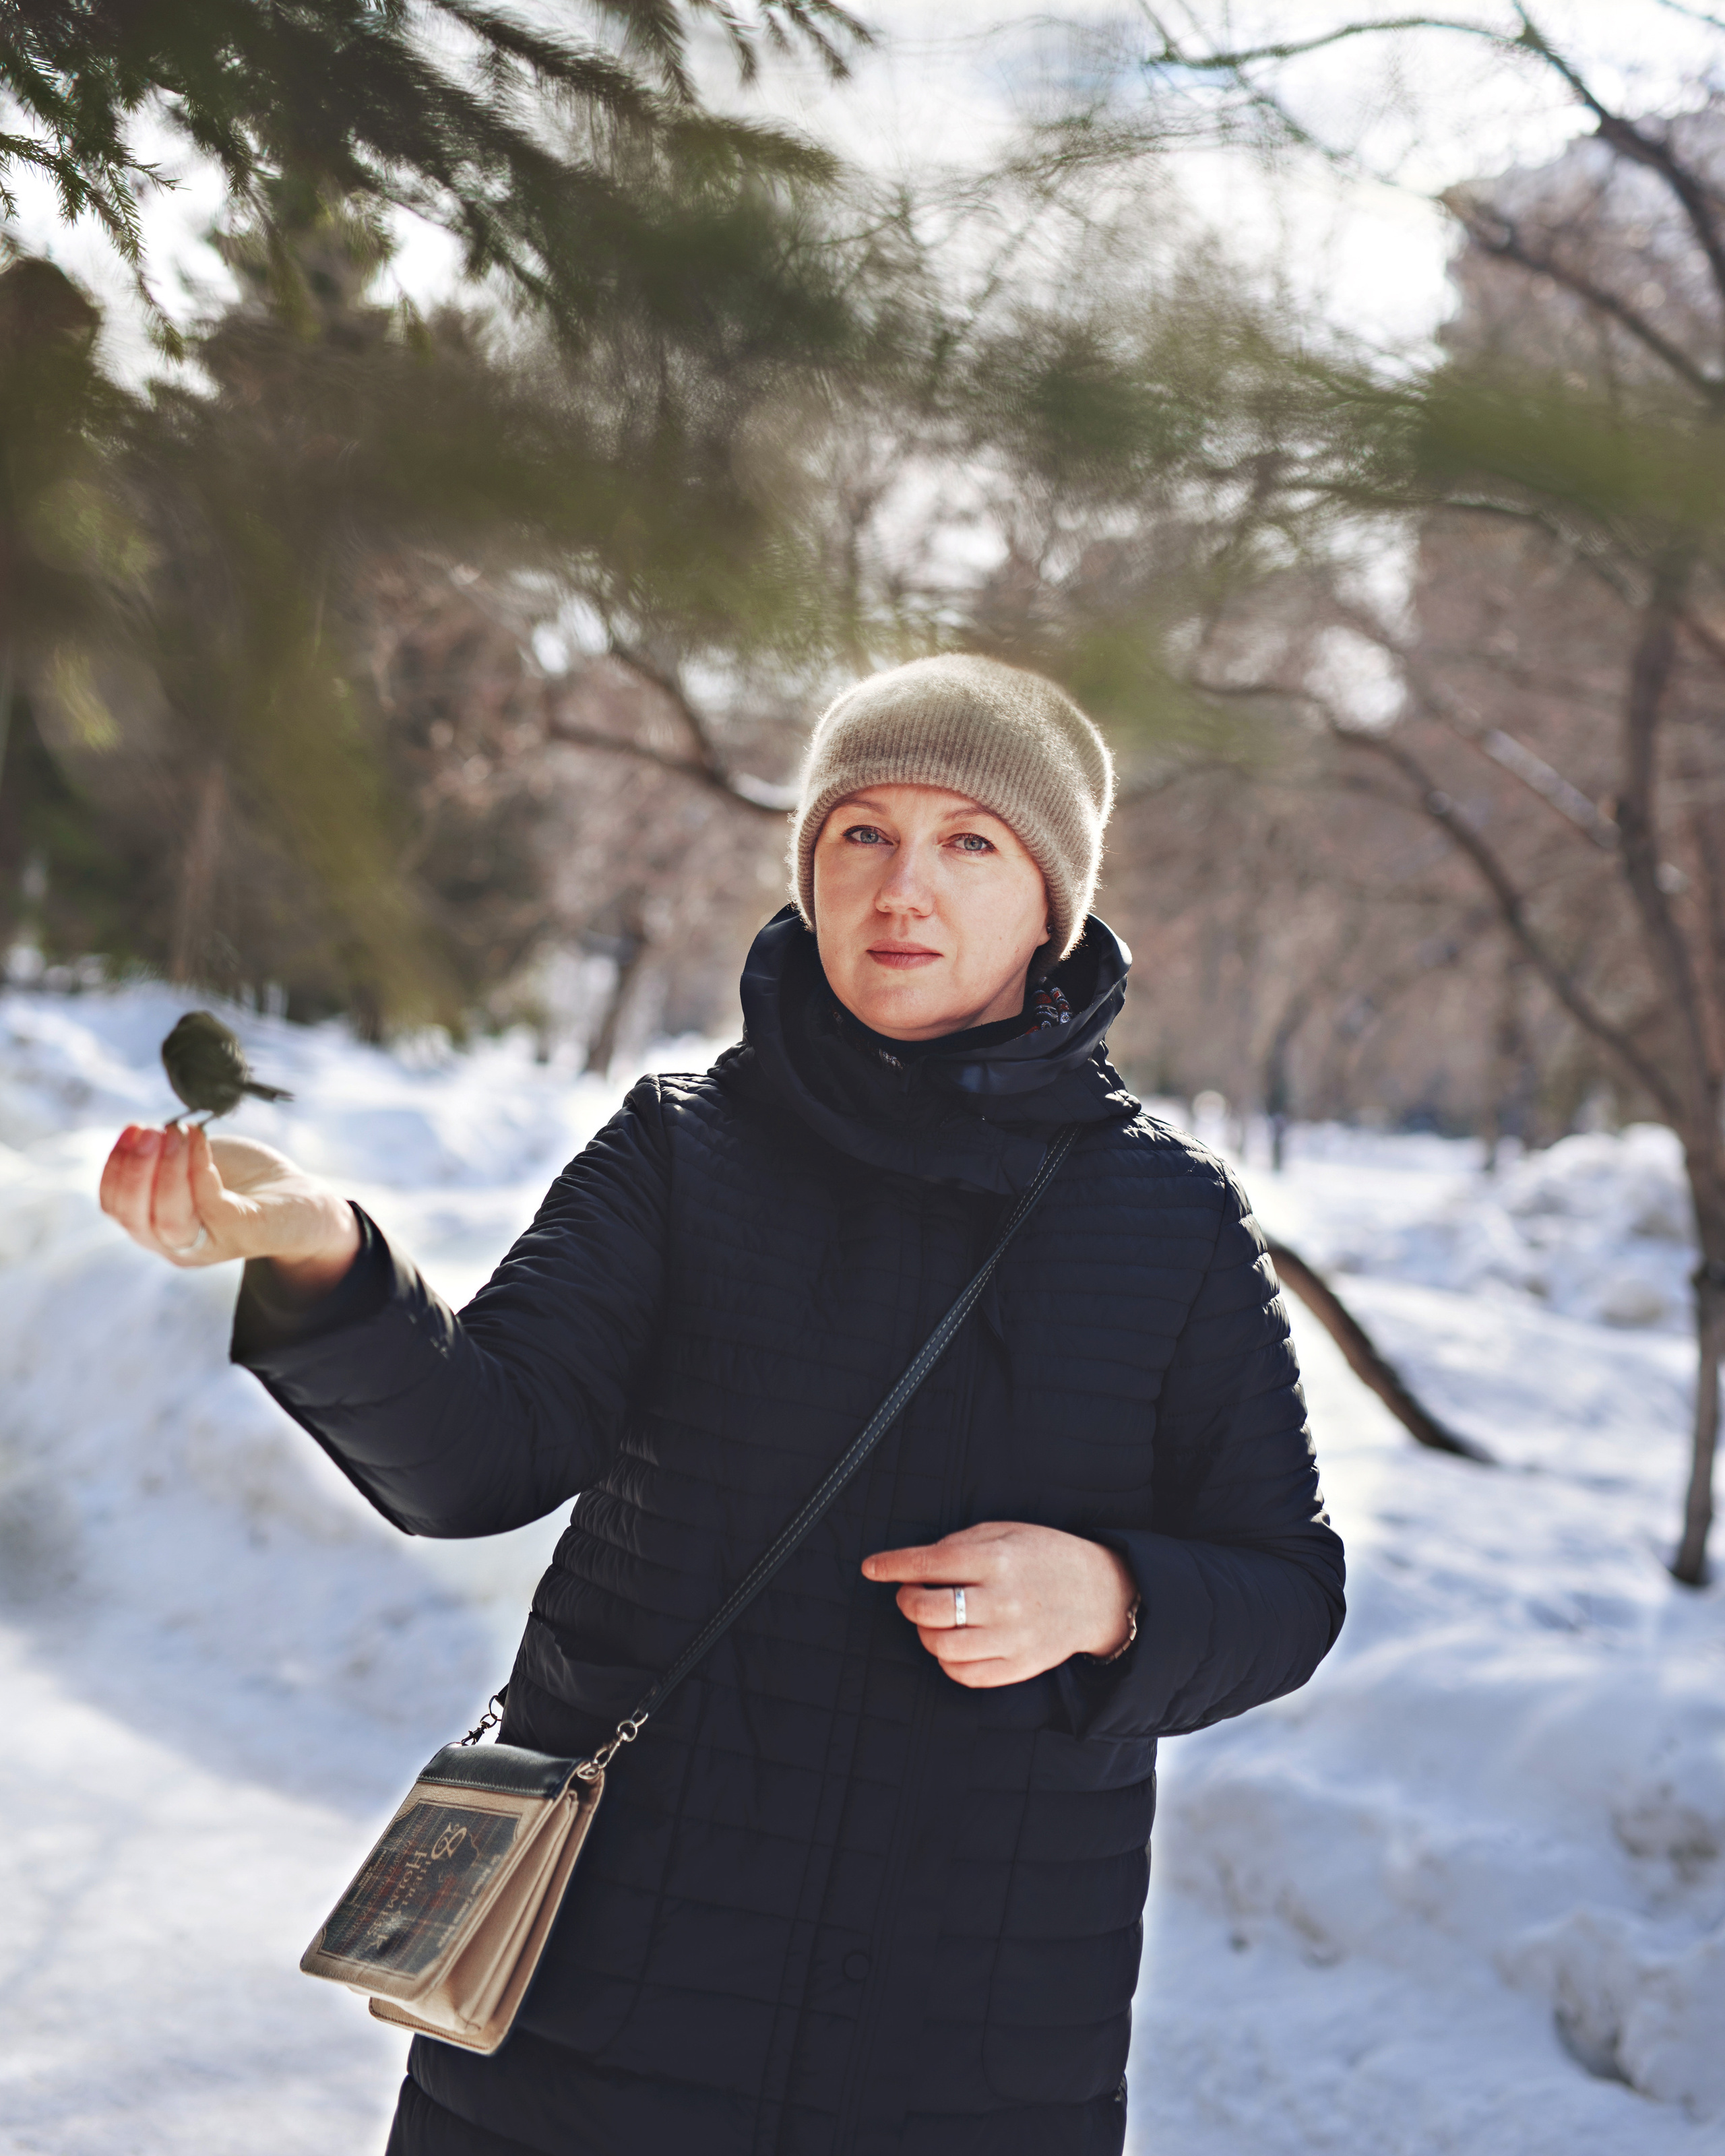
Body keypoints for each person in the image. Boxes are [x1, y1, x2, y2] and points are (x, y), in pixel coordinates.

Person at [99, 654, 1345, 2156]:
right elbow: (475, 1458)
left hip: (959, 2048)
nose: (902, 887)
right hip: (593, 2022)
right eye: (859, 834)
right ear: (809, 873)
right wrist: (328, 1258)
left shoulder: (1167, 1221)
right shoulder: (679, 1155)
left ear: (1048, 904)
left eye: (967, 842)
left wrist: (1108, 1595)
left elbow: (1284, 1585)